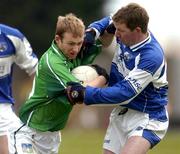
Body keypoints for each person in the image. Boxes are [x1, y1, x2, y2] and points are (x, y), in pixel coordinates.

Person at [66, 3, 169, 154]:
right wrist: (91, 33)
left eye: (121, 31)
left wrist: (86, 93)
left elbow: (124, 92)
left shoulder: (151, 57)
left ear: (137, 30)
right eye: (116, 29)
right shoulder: (124, 27)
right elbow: (107, 22)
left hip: (147, 117)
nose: (117, 35)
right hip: (122, 112)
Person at [13, 13, 108, 154]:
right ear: (58, 39)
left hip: (52, 134)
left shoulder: (73, 53)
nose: (75, 49)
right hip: (30, 131)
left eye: (79, 43)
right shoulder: (52, 62)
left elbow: (105, 38)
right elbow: (79, 95)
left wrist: (101, 27)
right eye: (71, 44)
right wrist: (103, 77)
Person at [0, 24, 38, 154]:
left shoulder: (12, 37)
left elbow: (36, 70)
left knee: (21, 143)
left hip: (3, 108)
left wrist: (35, 103)